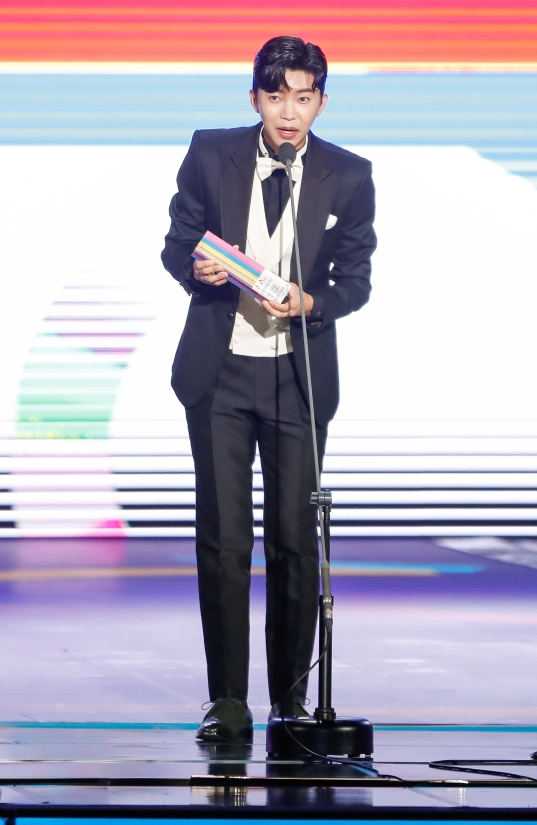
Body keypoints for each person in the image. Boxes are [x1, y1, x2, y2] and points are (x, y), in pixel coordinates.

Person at [161, 35, 376, 742]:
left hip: (297, 375)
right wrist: (196, 268)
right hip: (219, 373)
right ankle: (226, 699)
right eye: (276, 96)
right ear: (254, 97)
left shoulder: (349, 174)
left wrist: (312, 302)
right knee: (224, 539)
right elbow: (177, 241)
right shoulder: (210, 152)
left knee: (294, 540)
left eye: (303, 97)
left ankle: (290, 698)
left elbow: (355, 281)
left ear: (321, 102)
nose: (289, 112)